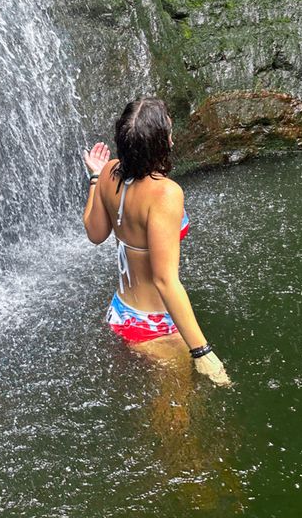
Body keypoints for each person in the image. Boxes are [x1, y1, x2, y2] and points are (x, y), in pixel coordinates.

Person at [82, 97, 230, 386]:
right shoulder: (165, 195)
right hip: (154, 327)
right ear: (162, 143)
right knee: (177, 423)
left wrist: (95, 179)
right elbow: (165, 280)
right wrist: (202, 351)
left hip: (120, 314)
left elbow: (95, 234)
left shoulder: (110, 172)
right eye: (169, 131)